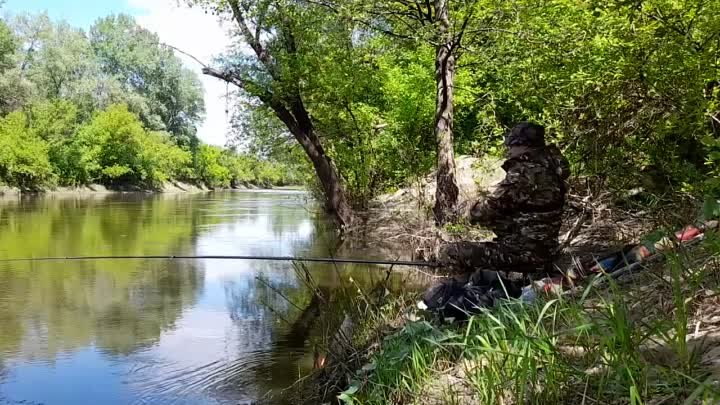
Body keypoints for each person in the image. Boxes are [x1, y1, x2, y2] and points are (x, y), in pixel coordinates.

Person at [438, 122, 570, 275]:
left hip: (524, 254)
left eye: (512, 145)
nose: (509, 150)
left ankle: (468, 296)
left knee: (452, 252)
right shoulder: (551, 168)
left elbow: (485, 212)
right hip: (544, 249)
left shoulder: (524, 173)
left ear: (524, 145)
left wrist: (467, 210)